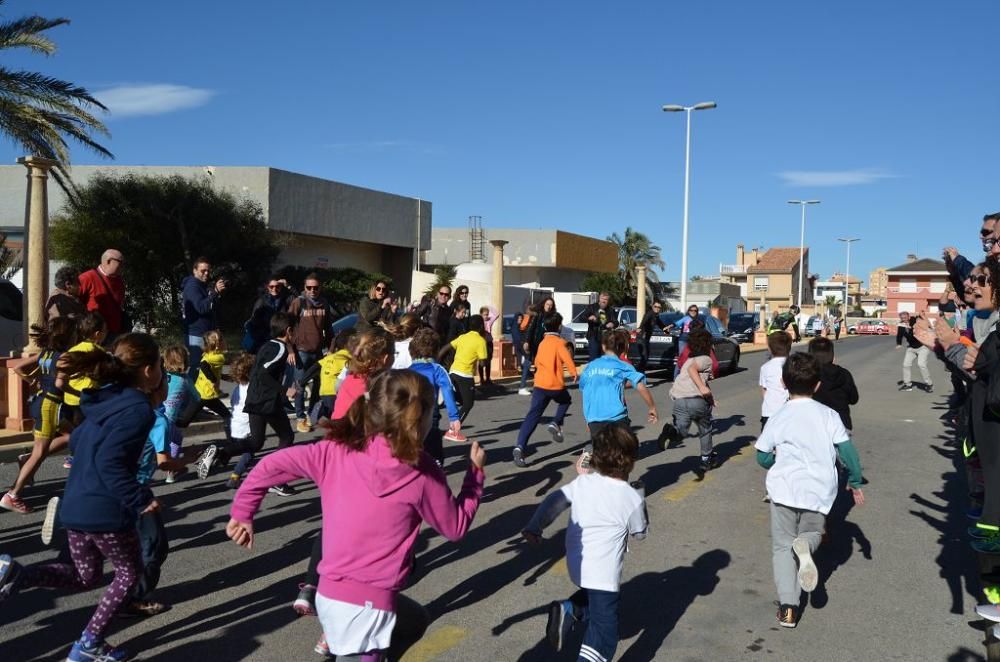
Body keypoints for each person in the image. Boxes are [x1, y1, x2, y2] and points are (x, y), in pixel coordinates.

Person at [227, 370, 486, 661]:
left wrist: (243, 512)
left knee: (414, 621)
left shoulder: (336, 450)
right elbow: (456, 527)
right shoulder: (422, 470)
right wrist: (474, 476)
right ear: (423, 421)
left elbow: (271, 465)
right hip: (368, 609)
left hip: (330, 595)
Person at [0, 333, 163, 661]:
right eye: (160, 365)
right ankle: (90, 643)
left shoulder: (103, 400)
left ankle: (16, 574)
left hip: (76, 504)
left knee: (84, 575)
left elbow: (80, 444)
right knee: (129, 574)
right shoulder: (137, 410)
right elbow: (110, 462)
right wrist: (140, 498)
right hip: (106, 511)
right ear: (147, 370)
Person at [754, 352, 865, 628]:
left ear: (783, 382)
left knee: (781, 547)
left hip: (783, 490)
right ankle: (807, 545)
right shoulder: (828, 415)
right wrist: (856, 479)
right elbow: (847, 451)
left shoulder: (778, 417)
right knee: (813, 531)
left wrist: (775, 460)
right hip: (818, 490)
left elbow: (762, 456)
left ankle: (788, 608)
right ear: (817, 386)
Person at [522, 424, 647, 661]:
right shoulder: (630, 496)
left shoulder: (583, 483)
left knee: (601, 599)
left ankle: (570, 609)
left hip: (576, 564)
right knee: (604, 632)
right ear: (631, 460)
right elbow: (640, 533)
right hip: (603, 572)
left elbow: (555, 500)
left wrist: (535, 526)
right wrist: (639, 497)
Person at [194, 313, 297, 496]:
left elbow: (258, 371)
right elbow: (264, 373)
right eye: (295, 330)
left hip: (254, 399)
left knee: (255, 442)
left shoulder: (267, 345)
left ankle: (220, 452)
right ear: (289, 331)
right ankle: (275, 479)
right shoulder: (280, 349)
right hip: (267, 401)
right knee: (287, 437)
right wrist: (284, 390)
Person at [2, 318, 77, 513]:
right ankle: (13, 495)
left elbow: (17, 367)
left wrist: (31, 380)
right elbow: (61, 384)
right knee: (40, 453)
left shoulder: (45, 353)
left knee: (71, 436)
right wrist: (80, 393)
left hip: (39, 401)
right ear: (68, 335)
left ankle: (26, 459)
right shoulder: (63, 357)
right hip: (51, 405)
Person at [513, 313, 578, 468]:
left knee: (533, 415)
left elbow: (536, 361)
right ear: (559, 326)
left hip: (540, 385)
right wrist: (574, 372)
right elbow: (567, 359)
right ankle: (555, 422)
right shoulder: (560, 343)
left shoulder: (542, 343)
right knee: (565, 400)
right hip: (555, 385)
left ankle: (520, 446)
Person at [581, 328, 658, 443]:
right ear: (623, 348)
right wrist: (652, 407)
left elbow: (586, 392)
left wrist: (587, 419)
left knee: (603, 451)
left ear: (603, 346)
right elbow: (641, 386)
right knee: (624, 449)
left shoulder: (590, 367)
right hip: (616, 416)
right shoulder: (623, 366)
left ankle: (591, 453)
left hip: (594, 417)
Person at [408, 327, 464, 463]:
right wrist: (454, 417)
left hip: (408, 414)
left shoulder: (408, 370)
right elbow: (448, 392)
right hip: (430, 414)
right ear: (435, 350)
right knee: (434, 453)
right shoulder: (438, 370)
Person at [667, 328, 718, 476]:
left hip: (679, 399)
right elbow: (693, 372)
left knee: (682, 430)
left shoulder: (688, 360)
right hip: (696, 401)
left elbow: (691, 376)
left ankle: (673, 431)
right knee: (705, 429)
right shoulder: (705, 359)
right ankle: (706, 459)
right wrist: (703, 388)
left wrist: (710, 396)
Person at [289, 274, 333, 433]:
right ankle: (300, 417)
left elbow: (328, 329)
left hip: (319, 351)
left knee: (318, 385)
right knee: (300, 385)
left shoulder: (324, 303)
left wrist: (331, 349)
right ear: (304, 287)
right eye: (309, 288)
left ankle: (310, 414)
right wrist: (290, 350)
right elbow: (287, 328)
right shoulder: (298, 302)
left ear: (320, 288)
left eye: (315, 288)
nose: (312, 291)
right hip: (301, 351)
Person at [181, 257, 226, 380]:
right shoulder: (192, 287)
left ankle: (205, 395)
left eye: (208, 271)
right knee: (198, 367)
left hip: (205, 333)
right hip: (196, 334)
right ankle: (189, 395)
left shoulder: (202, 285)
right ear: (195, 271)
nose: (206, 273)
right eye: (203, 271)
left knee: (206, 366)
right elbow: (201, 307)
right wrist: (215, 291)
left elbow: (210, 309)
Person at [222, 353, 258, 490]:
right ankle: (235, 477)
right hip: (246, 426)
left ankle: (224, 458)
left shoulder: (238, 388)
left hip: (235, 425)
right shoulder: (252, 389)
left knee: (240, 448)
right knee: (249, 452)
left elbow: (233, 402)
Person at [305, 329, 356, 426]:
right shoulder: (349, 358)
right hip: (336, 393)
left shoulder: (329, 358)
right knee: (340, 419)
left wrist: (302, 382)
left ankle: (323, 413)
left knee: (334, 415)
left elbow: (314, 368)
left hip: (323, 392)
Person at [808, 336, 859, 433]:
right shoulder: (844, 374)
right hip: (842, 424)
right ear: (832, 356)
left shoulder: (809, 375)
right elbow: (853, 399)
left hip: (815, 426)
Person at [447, 315, 488, 424]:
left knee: (462, 399)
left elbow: (446, 348)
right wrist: (484, 359)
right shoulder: (481, 341)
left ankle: (448, 394)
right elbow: (483, 363)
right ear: (481, 326)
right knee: (468, 404)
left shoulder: (463, 337)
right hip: (465, 375)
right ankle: (454, 428)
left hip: (453, 371)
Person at [77, 249, 126, 339]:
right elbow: (76, 304)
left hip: (114, 333)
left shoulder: (119, 281)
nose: (123, 266)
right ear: (108, 261)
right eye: (120, 262)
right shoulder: (87, 278)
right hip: (94, 335)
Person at [192, 330, 232, 431]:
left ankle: (233, 439)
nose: (225, 341)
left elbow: (208, 367)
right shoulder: (218, 357)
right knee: (183, 421)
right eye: (222, 340)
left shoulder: (210, 354)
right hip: (205, 394)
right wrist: (213, 379)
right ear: (217, 344)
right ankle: (234, 439)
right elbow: (204, 365)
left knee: (227, 415)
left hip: (206, 393)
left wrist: (222, 376)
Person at [245, 277, 295, 353]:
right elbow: (254, 319)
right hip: (264, 337)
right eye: (271, 287)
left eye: (277, 286)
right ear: (268, 288)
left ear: (281, 287)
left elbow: (300, 300)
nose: (274, 289)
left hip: (280, 335)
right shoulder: (262, 301)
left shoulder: (285, 299)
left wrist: (288, 286)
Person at [759, 332, 792, 430]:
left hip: (770, 411)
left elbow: (764, 390)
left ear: (769, 349)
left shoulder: (765, 368)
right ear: (789, 348)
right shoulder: (793, 365)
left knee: (769, 442)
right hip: (790, 412)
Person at [896, 311, 933, 392]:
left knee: (921, 364)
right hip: (911, 348)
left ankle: (929, 384)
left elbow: (923, 322)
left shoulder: (915, 321)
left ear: (909, 317)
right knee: (906, 365)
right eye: (902, 318)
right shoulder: (901, 325)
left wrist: (922, 316)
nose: (904, 320)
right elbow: (899, 335)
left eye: (905, 318)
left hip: (923, 346)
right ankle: (907, 384)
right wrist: (899, 343)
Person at [584, 293, 618, 362]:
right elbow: (582, 317)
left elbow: (616, 322)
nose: (604, 301)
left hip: (606, 337)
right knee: (594, 359)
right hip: (594, 335)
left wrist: (612, 323)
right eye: (602, 299)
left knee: (606, 358)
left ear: (608, 301)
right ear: (599, 298)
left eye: (606, 299)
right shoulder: (591, 307)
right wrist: (589, 318)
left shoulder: (611, 310)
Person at [637, 300, 667, 373]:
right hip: (642, 338)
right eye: (655, 306)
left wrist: (666, 330)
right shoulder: (650, 313)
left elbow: (660, 324)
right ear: (652, 307)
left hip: (646, 338)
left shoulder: (656, 316)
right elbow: (645, 320)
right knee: (644, 357)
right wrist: (640, 327)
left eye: (659, 307)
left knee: (645, 358)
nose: (657, 308)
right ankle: (639, 376)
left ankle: (639, 375)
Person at [511, 306, 532, 396]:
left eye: (521, 318)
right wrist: (525, 351)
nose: (520, 319)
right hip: (520, 351)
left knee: (526, 368)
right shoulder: (515, 328)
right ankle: (522, 387)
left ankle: (523, 386)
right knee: (527, 365)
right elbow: (518, 341)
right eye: (519, 318)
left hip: (520, 350)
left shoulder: (518, 328)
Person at [478, 305, 498, 386]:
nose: (486, 316)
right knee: (481, 361)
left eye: (487, 314)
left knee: (488, 361)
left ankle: (488, 378)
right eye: (485, 314)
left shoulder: (489, 321)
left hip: (489, 342)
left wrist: (489, 307)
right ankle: (481, 379)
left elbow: (496, 314)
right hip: (482, 343)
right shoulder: (479, 322)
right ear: (481, 315)